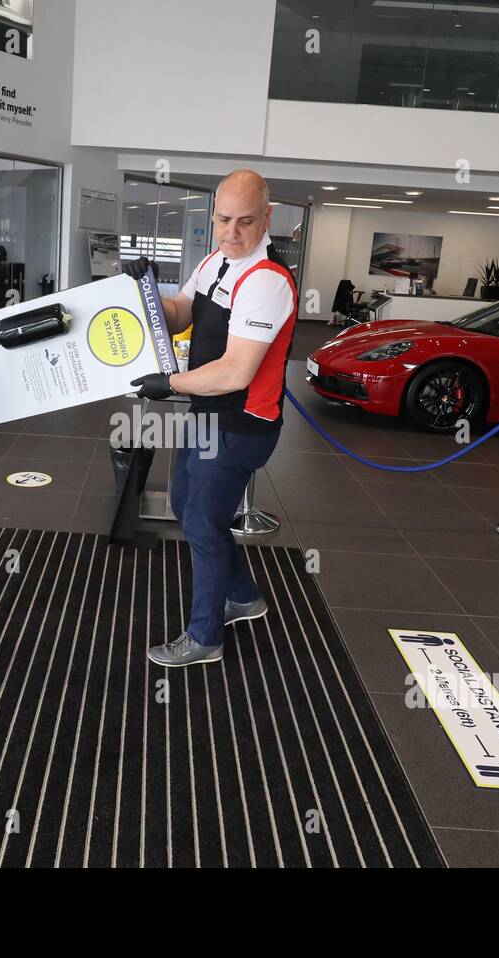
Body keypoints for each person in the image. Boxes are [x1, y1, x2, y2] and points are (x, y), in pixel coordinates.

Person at [127, 169, 297, 667]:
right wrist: (143, 291)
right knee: (187, 504)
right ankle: (243, 597)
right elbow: (180, 312)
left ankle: (205, 637)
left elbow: (235, 371)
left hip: (240, 422)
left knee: (201, 520)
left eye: (245, 222)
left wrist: (170, 384)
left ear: (267, 218)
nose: (232, 232)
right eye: (223, 219)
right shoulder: (216, 261)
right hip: (209, 412)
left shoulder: (265, 281)